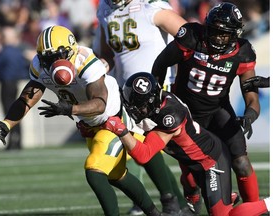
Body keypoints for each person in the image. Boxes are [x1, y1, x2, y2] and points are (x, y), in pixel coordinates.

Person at [0, 25, 166, 216]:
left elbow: (100, 103)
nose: (52, 63)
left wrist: (69, 108)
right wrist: (7, 124)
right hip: (89, 124)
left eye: (57, 56)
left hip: (113, 121)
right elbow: (26, 99)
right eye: (47, 58)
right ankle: (155, 213)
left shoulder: (85, 62)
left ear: (70, 50)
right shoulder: (40, 66)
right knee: (117, 175)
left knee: (95, 171)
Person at [101, 72, 272, 215]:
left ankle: (268, 204)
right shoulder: (156, 104)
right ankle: (223, 196)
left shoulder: (169, 117)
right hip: (191, 161)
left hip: (210, 161)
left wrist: (121, 130)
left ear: (152, 102)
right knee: (195, 192)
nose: (134, 109)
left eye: (140, 106)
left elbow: (143, 156)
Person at [151, 2, 263, 212]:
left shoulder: (243, 52)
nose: (218, 37)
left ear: (235, 34)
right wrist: (159, 99)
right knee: (193, 174)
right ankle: (192, 192)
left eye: (224, 33)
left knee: (241, 163)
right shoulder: (191, 38)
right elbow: (160, 64)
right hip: (185, 113)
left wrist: (249, 115)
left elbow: (251, 95)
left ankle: (253, 208)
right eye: (215, 31)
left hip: (217, 111)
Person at [94, 1, 191, 214]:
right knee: (145, 147)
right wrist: (97, 68)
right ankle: (177, 203)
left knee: (176, 149)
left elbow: (189, 37)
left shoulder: (150, 6)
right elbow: (107, 53)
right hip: (128, 94)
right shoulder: (105, 10)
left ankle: (182, 201)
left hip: (157, 90)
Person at [0, 26, 29, 150]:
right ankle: (17, 141)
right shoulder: (18, 51)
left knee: (9, 113)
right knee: (15, 112)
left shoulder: (5, 51)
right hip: (15, 83)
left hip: (7, 84)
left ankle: (13, 142)